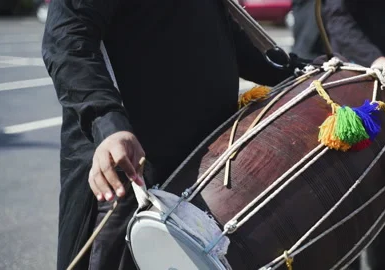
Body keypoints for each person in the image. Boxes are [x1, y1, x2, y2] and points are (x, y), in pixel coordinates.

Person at [41, 1, 311, 269]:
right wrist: (107, 123)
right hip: (132, 167)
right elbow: (67, 40)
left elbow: (221, 36)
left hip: (205, 164)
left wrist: (297, 72)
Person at [291, 1, 385, 270]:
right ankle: (350, 263)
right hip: (346, 80)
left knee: (383, 177)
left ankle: (383, 258)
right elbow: (336, 17)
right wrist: (375, 58)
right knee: (348, 187)